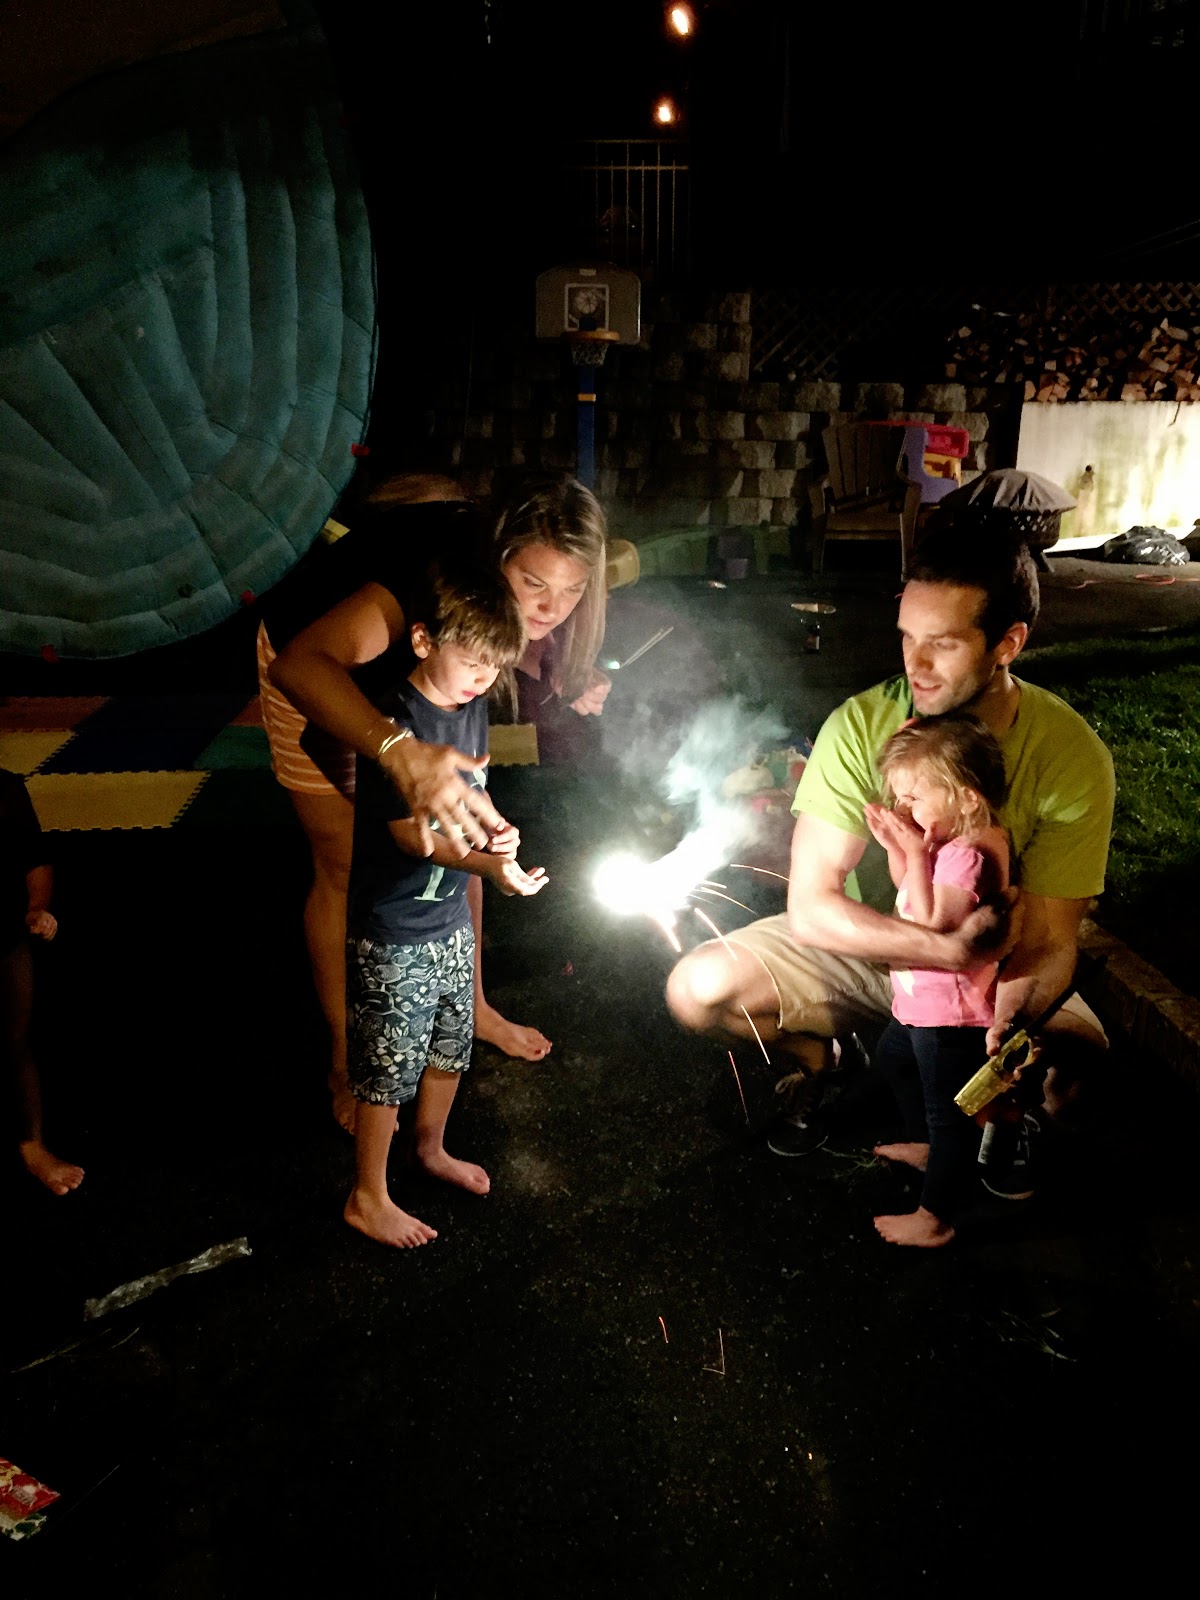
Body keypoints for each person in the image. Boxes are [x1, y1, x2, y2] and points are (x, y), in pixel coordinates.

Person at [665, 529, 1115, 1193]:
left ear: (1008, 643)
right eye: (907, 636)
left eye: (944, 643)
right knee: (697, 989)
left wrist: (1005, 1026)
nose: (916, 663)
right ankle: (827, 1061)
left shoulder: (1068, 753)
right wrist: (948, 951)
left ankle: (993, 1111)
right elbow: (812, 908)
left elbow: (1049, 938)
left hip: (994, 973)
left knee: (1079, 1074)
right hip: (877, 948)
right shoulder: (860, 727)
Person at [267, 471, 611, 1127]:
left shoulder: (504, 612)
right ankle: (349, 1060)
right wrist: (397, 751)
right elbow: (301, 667)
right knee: (347, 864)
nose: (551, 608)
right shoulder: (425, 576)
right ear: (499, 556)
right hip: (318, 666)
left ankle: (471, 1005)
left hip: (425, 678)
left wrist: (574, 675)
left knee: (463, 832)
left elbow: (532, 643)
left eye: (572, 591)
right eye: (534, 583)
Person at [343, 554, 547, 1248]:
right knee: (386, 1070)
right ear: (424, 640)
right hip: (395, 928)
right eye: (473, 662)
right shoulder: (396, 721)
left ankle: (431, 1149)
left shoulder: (470, 706)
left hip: (450, 920)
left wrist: (496, 832)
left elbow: (474, 793)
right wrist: (490, 867)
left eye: (495, 667)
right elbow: (411, 835)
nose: (484, 678)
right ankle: (368, 1194)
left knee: (450, 1047)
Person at [864, 715, 1010, 1247]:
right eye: (899, 798)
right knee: (894, 1061)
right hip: (919, 1006)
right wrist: (897, 849)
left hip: (950, 1016)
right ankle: (928, 1148)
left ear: (967, 799)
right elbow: (909, 888)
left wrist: (916, 852)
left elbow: (933, 928)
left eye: (915, 798)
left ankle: (936, 1218)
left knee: (948, 1114)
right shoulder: (942, 845)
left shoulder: (966, 857)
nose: (904, 809)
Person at [2, 768, 83, 1196]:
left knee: (13, 1041)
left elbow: (35, 858)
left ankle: (32, 1146)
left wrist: (37, 908)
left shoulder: (5, 788)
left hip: (3, 933)